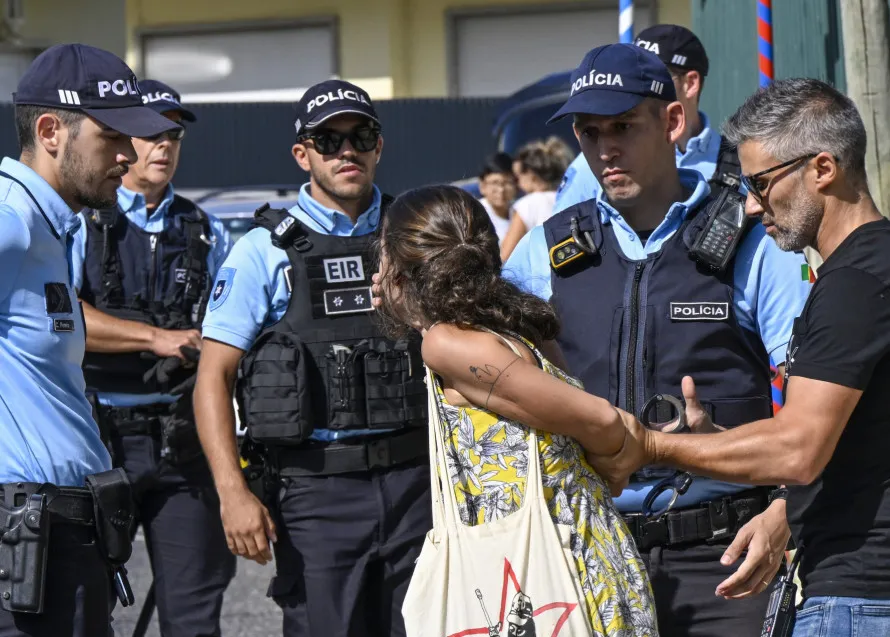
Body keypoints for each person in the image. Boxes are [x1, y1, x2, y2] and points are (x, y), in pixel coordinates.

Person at [503, 43, 812, 635]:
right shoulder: (547, 249)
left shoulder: (751, 241)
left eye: (623, 126)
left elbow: (819, 405)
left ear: (672, 122)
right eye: (588, 132)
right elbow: (477, 370)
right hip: (587, 551)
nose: (604, 148)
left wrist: (786, 512)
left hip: (725, 556)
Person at [587, 77, 890, 637]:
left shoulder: (855, 282)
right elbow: (850, 442)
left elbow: (799, 449)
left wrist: (650, 445)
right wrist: (720, 444)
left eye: (761, 182)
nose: (750, 204)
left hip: (860, 598)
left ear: (822, 169)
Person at [193, 79, 431, 637]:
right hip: (316, 495)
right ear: (303, 154)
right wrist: (233, 493)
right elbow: (212, 379)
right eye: (328, 140)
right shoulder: (263, 252)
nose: (346, 150)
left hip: (416, 486)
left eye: (360, 135)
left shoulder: (416, 237)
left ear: (379, 146)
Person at [372, 184, 657, 635]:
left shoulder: (445, 344)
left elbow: (599, 419)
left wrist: (618, 455)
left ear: (402, 265)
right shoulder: (518, 328)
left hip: (545, 579)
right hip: (585, 554)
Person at [0, 44, 183, 637]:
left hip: (63, 531)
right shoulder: (11, 218)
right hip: (24, 533)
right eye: (112, 137)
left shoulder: (47, 224)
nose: (129, 155)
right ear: (52, 130)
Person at [69, 79, 235, 637]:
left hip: (181, 438)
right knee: (80, 603)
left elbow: (230, 324)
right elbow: (62, 318)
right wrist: (156, 339)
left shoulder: (205, 229)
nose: (163, 146)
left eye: (173, 135)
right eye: (150, 135)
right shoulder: (81, 221)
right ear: (121, 141)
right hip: (98, 438)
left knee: (194, 609)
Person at [554, 24, 742, 214]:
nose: (639, 81)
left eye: (657, 74)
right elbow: (560, 232)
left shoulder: (737, 160)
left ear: (690, 83)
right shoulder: (593, 164)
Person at [499, 137, 573, 261]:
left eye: (517, 177)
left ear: (531, 175)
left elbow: (505, 255)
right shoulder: (567, 197)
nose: (516, 184)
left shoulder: (527, 204)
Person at [477, 151, 516, 245]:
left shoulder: (519, 210)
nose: (501, 189)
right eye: (495, 183)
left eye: (507, 183)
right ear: (482, 186)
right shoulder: (477, 214)